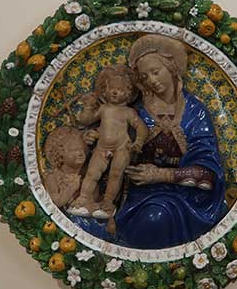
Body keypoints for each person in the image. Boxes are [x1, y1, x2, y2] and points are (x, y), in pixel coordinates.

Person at [110, 34, 227, 249]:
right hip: (142, 196)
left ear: (172, 68)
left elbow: (209, 174)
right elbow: (117, 151)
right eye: (144, 77)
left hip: (188, 198)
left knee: (157, 216)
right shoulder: (137, 114)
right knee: (152, 216)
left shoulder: (195, 113)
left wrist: (161, 175)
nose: (152, 81)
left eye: (156, 72)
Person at [70, 65, 148, 219]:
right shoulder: (104, 109)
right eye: (111, 88)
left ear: (128, 93)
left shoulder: (128, 112)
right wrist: (88, 105)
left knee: (116, 175)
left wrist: (138, 141)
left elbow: (142, 127)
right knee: (92, 173)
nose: (114, 92)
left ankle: (107, 203)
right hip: (101, 148)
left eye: (120, 89)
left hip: (121, 148)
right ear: (105, 90)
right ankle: (83, 199)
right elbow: (86, 120)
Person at [41, 126, 89, 209]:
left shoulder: (87, 175)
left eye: (82, 149)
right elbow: (56, 202)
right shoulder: (52, 177)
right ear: (60, 153)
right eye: (74, 150)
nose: (80, 153)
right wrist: (71, 188)